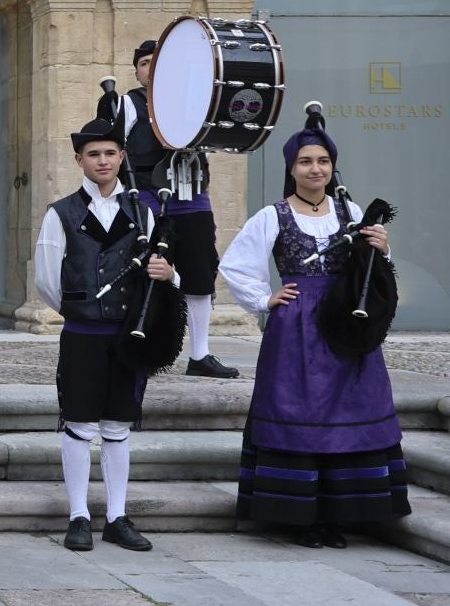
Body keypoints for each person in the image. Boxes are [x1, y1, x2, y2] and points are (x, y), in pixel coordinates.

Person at [221, 105, 408, 547]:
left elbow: (370, 273)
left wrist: (381, 249)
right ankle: (300, 516)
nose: (315, 168)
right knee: (298, 409)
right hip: (296, 329)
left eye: (323, 161)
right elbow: (235, 265)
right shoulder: (272, 216)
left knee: (348, 410)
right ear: (291, 168)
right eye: (305, 161)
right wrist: (265, 299)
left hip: (346, 327)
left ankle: (338, 514)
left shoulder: (352, 211)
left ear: (332, 166)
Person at [35, 115, 174, 554]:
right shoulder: (61, 213)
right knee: (78, 424)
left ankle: (116, 516)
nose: (102, 160)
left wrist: (168, 274)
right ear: (79, 159)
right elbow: (46, 280)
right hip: (81, 334)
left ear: (122, 157)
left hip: (127, 337)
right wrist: (82, 310)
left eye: (110, 153)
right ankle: (78, 515)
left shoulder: (144, 213)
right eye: (93, 154)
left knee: (117, 426)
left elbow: (161, 272)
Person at [121, 38, 235, 378]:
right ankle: (142, 345)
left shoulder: (196, 101)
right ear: (137, 72)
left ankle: (199, 355)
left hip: (192, 197)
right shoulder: (127, 104)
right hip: (147, 196)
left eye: (158, 62)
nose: (151, 69)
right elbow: (112, 149)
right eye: (144, 63)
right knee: (146, 270)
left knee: (200, 273)